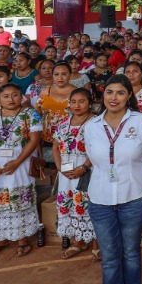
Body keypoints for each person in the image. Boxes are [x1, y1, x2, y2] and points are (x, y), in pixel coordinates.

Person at [82, 76, 142, 284]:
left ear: (129, 96)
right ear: (103, 95)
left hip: (134, 198)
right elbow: (94, 159)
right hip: (101, 200)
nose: (114, 97)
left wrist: (136, 182)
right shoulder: (91, 126)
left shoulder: (141, 121)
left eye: (120, 92)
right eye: (109, 92)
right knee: (110, 260)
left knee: (131, 256)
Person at [0, 84, 44, 258]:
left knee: (20, 198)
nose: (11, 99)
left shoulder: (30, 114)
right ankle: (0, 238)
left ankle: (22, 239)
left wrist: (17, 162)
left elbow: (34, 140)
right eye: (6, 96)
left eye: (15, 95)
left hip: (20, 164)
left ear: (21, 96)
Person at [53, 87, 98, 261]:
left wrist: (84, 167)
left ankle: (97, 243)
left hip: (89, 171)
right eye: (73, 102)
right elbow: (56, 147)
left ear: (90, 103)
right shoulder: (63, 123)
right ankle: (79, 241)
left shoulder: (95, 122)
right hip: (67, 173)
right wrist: (60, 168)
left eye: (82, 101)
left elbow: (99, 149)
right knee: (71, 203)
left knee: (90, 203)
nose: (77, 105)